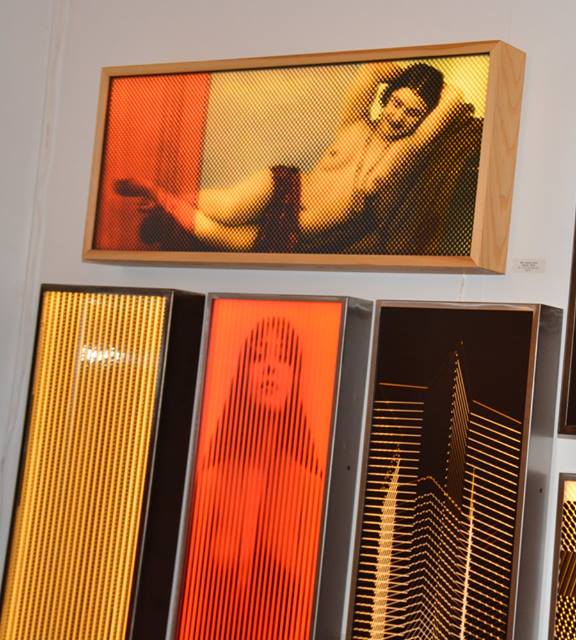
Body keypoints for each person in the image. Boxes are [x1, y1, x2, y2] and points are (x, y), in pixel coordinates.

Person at [115, 62, 470, 252]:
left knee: (220, 235)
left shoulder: (405, 151)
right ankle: (166, 199)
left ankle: (159, 197)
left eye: (413, 112)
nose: (398, 115)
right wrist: (412, 71)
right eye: (396, 103)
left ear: (423, 118)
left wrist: (431, 86)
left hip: (300, 228)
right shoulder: (355, 122)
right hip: (287, 185)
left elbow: (453, 99)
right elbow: (371, 72)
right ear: (387, 98)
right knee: (228, 206)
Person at [176, 318, 324, 639]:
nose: (269, 367)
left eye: (282, 357)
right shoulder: (211, 482)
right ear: (243, 372)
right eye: (258, 356)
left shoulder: (311, 490)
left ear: (295, 376)